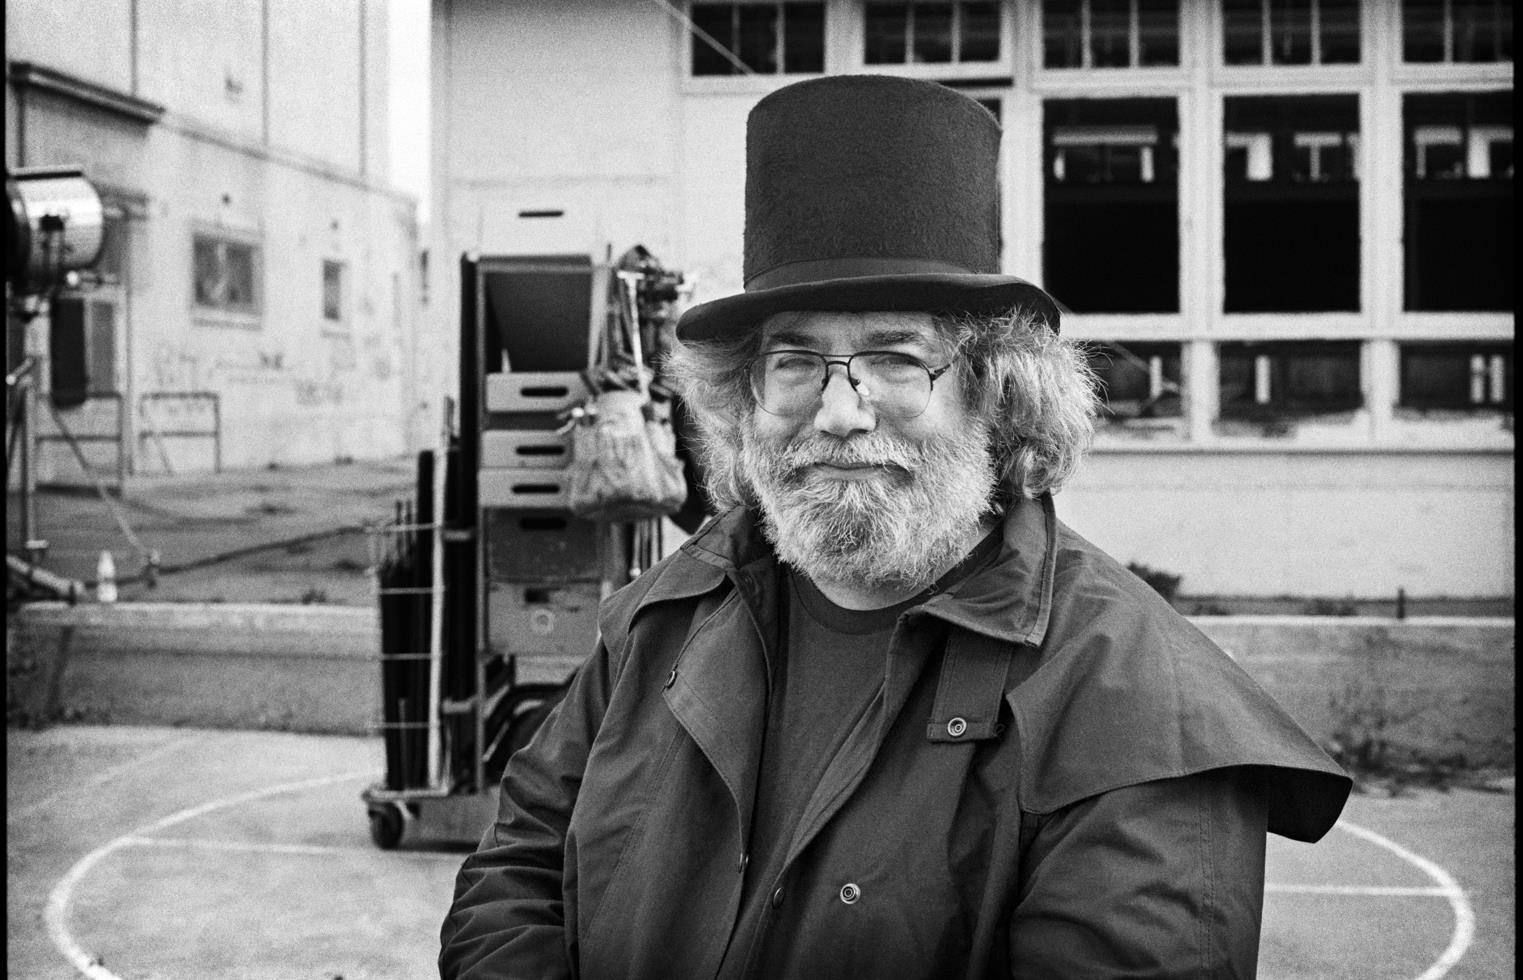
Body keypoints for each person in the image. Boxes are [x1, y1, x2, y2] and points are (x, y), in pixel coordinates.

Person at [440, 74, 1351, 979]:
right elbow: (515, 869)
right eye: (794, 360)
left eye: (894, 357)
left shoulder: (1139, 705)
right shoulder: (661, 618)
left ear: (997, 396)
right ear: (742, 397)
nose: (839, 411)